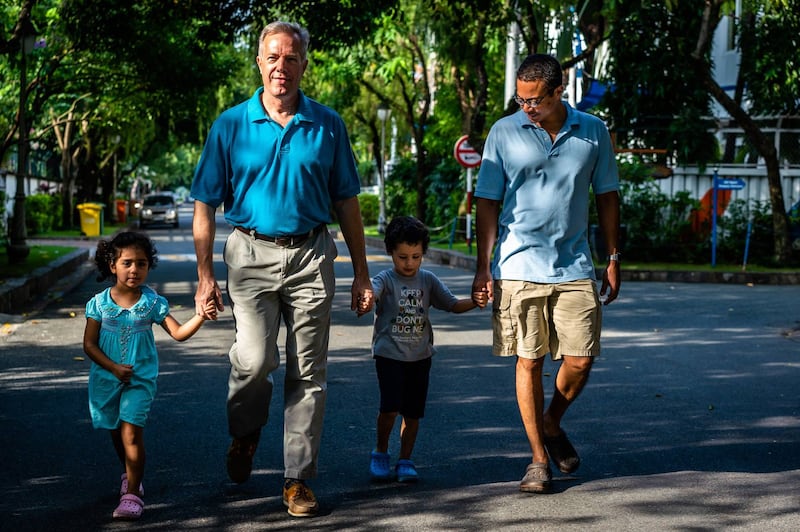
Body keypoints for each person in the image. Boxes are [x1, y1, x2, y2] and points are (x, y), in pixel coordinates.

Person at [190, 20, 374, 518]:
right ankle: (245, 433)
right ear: (258, 62)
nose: (281, 67)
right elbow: (205, 204)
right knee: (252, 361)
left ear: (304, 64)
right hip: (249, 255)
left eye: (291, 58)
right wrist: (205, 275)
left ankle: (297, 478)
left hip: (313, 255)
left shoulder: (328, 123)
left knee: (308, 371)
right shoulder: (230, 124)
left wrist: (361, 272)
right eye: (273, 57)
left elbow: (347, 202)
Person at [471, 53, 621, 494]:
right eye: (520, 99)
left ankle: (551, 421)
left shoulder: (593, 131)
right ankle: (539, 458)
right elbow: (487, 201)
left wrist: (612, 257)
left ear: (560, 91)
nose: (527, 108)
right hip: (518, 265)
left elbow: (608, 195)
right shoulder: (503, 132)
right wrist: (484, 266)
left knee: (580, 358)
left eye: (535, 100)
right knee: (529, 360)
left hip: (574, 264)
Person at [83, 231, 216, 520]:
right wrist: (114, 368)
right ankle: (130, 474)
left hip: (140, 380)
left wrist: (201, 316)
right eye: (127, 263)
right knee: (116, 432)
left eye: (141, 263)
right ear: (112, 265)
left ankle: (132, 494)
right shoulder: (99, 304)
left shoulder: (152, 304)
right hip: (107, 378)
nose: (134, 270)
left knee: (131, 432)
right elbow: (89, 345)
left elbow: (178, 333)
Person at [369, 216, 488, 483]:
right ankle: (380, 451)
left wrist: (476, 301)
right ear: (390, 252)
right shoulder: (385, 279)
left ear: (423, 254)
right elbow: (373, 291)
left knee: (412, 413)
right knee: (389, 408)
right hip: (389, 355)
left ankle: (405, 460)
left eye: (416, 256)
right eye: (402, 257)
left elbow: (452, 304)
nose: (409, 263)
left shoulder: (428, 280)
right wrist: (367, 299)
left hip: (420, 358)